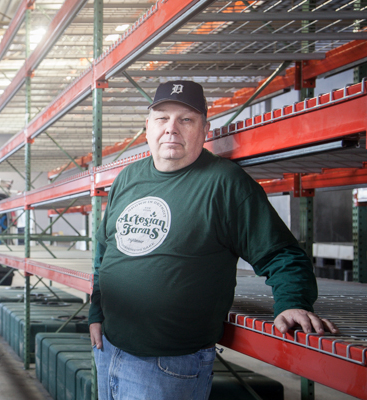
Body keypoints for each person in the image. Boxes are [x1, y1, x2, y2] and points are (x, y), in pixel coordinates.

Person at [88, 80, 338, 400]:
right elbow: (104, 250)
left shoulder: (225, 183)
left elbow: (281, 253)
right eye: (162, 118)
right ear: (147, 128)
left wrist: (292, 301)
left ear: (204, 130)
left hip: (169, 363)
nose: (172, 129)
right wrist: (96, 312)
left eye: (186, 120)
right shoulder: (128, 177)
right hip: (108, 347)